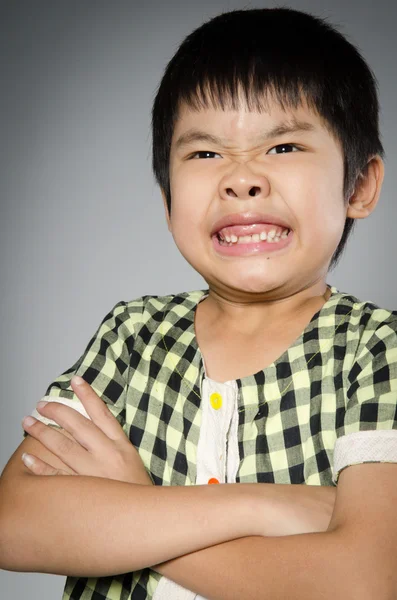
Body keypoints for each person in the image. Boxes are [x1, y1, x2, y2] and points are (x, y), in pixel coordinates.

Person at [1, 6, 397, 600]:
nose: (241, 179)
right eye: (205, 154)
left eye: (284, 147)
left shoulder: (374, 349)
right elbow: (16, 523)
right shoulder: (132, 334)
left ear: (360, 186)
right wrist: (269, 507)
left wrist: (134, 511)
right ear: (167, 201)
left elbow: (364, 579)